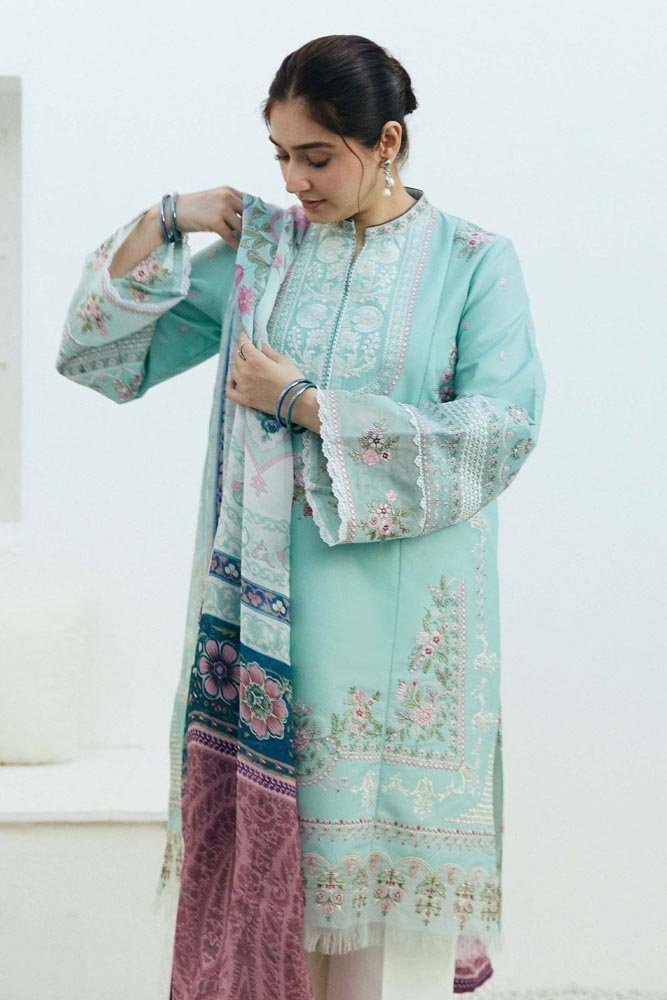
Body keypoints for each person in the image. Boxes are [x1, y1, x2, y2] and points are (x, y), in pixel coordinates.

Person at [55, 33, 546, 1000]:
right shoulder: (264, 254)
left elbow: (499, 432)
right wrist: (172, 215)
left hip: (403, 629)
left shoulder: (473, 262)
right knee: (278, 893)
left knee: (353, 904)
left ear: (386, 141)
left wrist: (308, 404)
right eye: (280, 154)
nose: (292, 180)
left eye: (316, 156)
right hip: (267, 621)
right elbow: (102, 354)